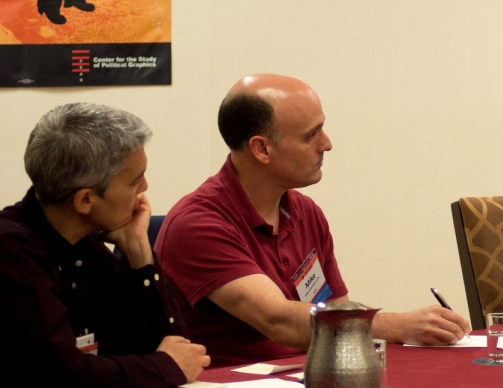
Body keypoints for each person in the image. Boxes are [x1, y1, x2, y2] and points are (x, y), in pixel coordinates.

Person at [156, 74, 471, 366]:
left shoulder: (305, 213)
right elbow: (278, 320)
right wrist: (399, 325)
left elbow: (335, 314)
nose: (327, 144)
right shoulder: (197, 224)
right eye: (311, 136)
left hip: (309, 373)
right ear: (262, 148)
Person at [0, 104, 209, 386]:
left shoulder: (86, 243)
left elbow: (171, 346)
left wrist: (138, 251)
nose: (145, 187)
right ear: (85, 200)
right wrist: (164, 366)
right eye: (135, 180)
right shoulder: (12, 254)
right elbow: (66, 376)